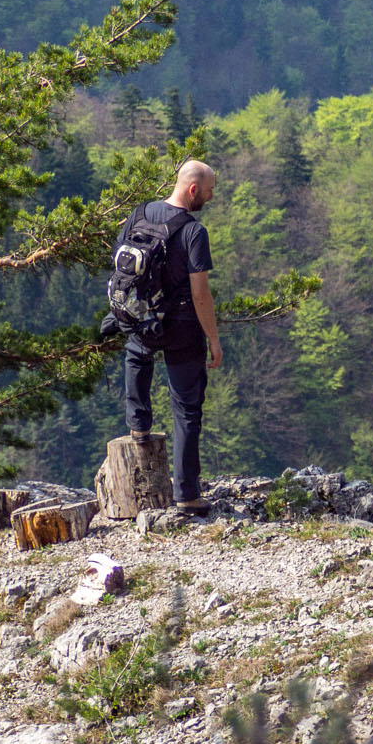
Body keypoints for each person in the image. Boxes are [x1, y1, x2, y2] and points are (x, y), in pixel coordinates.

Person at [119, 159, 223, 513]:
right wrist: (213, 337)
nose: (210, 198)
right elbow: (200, 294)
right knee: (187, 409)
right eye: (208, 192)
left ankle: (138, 425)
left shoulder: (140, 214)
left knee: (136, 355)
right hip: (180, 327)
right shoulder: (194, 232)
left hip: (142, 320)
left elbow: (121, 264)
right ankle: (187, 495)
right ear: (193, 189)